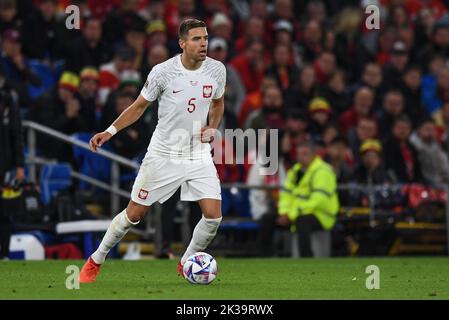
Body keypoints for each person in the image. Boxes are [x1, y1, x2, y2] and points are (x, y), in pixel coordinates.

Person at [79, 19, 226, 283]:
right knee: (133, 215)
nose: (203, 43)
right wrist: (109, 132)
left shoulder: (217, 70)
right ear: (182, 44)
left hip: (197, 153)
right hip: (163, 155)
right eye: (196, 39)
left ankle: (185, 263)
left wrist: (212, 127)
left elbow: (218, 103)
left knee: (213, 217)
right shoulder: (163, 72)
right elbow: (138, 107)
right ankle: (96, 259)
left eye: (205, 38)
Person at [278, 140, 339, 257]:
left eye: (304, 153)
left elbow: (319, 200)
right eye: (298, 154)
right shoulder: (295, 171)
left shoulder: (323, 171)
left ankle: (307, 259)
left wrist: (291, 214)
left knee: (302, 221)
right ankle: (265, 257)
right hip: (297, 212)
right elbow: (285, 195)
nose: (300, 157)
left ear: (314, 155)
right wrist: (283, 212)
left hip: (322, 215)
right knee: (267, 218)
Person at [0, 71, 24, 259]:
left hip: (5, 166)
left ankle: (5, 254)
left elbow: (17, 134)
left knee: (5, 211)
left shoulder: (8, 102)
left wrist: (19, 165)